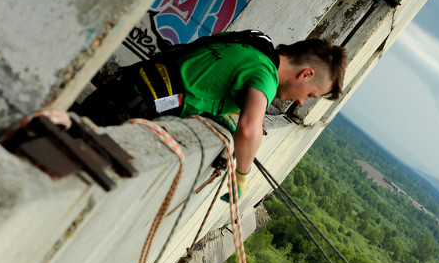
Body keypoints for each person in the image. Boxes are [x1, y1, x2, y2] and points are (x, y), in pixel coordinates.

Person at [78, 31, 347, 198]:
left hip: (118, 93)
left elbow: (202, 80)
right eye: (310, 94)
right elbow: (250, 130)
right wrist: (242, 177)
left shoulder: (253, 44)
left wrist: (225, 115)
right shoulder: (265, 75)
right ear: (306, 74)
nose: (300, 102)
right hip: (122, 114)